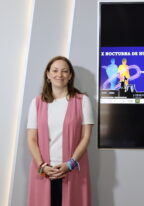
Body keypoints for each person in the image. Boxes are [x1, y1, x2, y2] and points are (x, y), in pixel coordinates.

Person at [27, 56, 94, 206]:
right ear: (48, 75)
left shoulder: (82, 101)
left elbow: (86, 137)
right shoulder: (37, 103)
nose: (60, 75)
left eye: (65, 71)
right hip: (44, 171)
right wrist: (42, 166)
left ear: (70, 76)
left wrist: (70, 164)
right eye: (55, 70)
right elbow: (31, 139)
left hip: (72, 170)